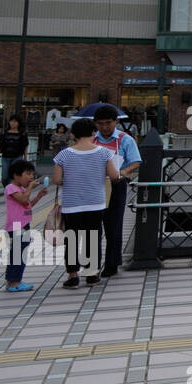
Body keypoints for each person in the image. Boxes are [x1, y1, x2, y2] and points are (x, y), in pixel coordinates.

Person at [52, 118, 119, 289]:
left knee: (72, 239)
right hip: (95, 203)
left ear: (73, 134)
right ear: (93, 133)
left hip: (71, 204)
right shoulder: (104, 153)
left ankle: (73, 276)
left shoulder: (64, 154)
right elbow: (114, 176)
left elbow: (57, 179)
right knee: (93, 238)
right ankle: (92, 275)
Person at [91, 105, 141, 278]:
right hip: (94, 184)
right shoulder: (91, 139)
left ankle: (112, 263)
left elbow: (136, 161)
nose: (104, 127)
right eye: (100, 124)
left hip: (116, 184)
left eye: (108, 123)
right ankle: (91, 265)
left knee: (114, 224)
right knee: (92, 225)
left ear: (116, 122)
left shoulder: (125, 139)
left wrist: (124, 173)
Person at [4, 159, 50, 292]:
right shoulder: (11, 188)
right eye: (28, 174)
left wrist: (39, 196)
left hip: (23, 224)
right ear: (16, 175)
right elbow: (24, 199)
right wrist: (30, 188)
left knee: (18, 253)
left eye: (32, 174)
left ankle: (11, 280)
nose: (31, 177)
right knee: (19, 254)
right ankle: (15, 283)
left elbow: (27, 205)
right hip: (17, 226)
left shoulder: (21, 189)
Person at [0, 115, 29, 186]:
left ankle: (12, 191)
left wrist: (25, 157)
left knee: (14, 175)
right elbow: (0, 145)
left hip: (17, 156)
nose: (12, 123)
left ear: (18, 123)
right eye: (11, 121)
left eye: (15, 121)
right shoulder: (5, 134)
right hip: (6, 156)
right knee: (4, 177)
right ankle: (8, 189)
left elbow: (25, 146)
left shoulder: (22, 135)